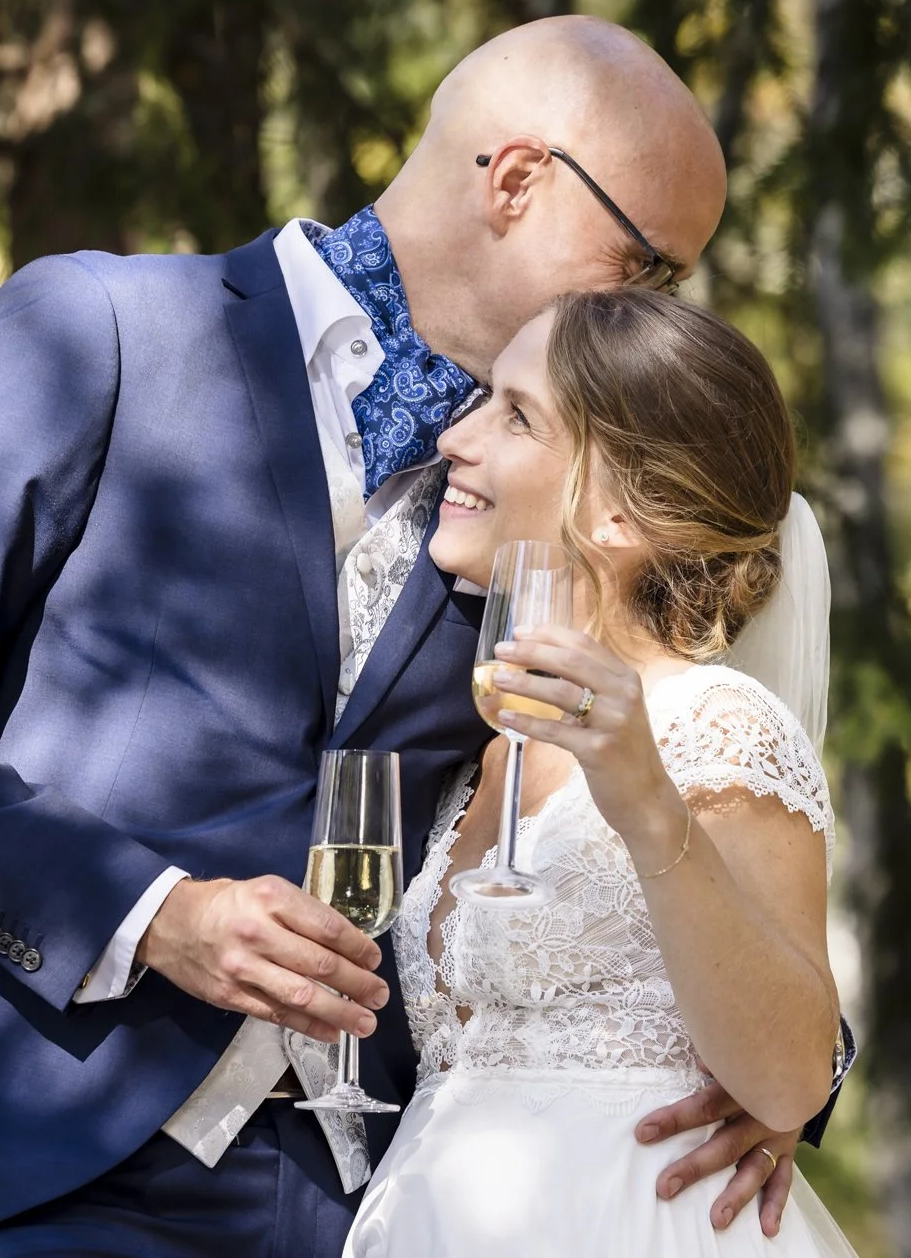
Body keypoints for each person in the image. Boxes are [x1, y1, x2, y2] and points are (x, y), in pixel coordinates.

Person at [0, 16, 833, 1256]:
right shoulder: (95, 330)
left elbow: (675, 770)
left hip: (371, 1200)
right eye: (646, 262)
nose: (655, 309)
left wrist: (782, 1084)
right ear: (514, 179)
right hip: (47, 1157)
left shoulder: (535, 494)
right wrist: (152, 912)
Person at [340, 289, 856, 1255]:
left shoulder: (721, 727)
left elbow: (790, 1079)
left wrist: (648, 805)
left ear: (621, 510)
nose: (455, 437)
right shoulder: (480, 745)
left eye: (516, 415)